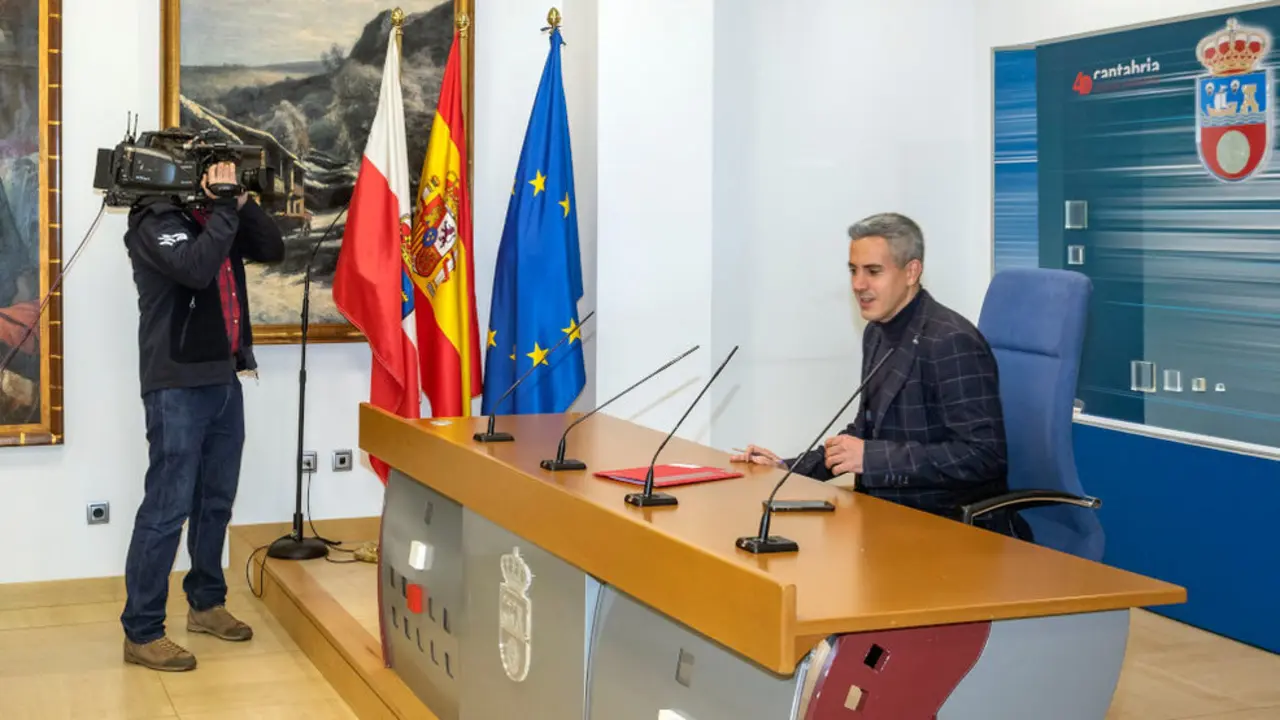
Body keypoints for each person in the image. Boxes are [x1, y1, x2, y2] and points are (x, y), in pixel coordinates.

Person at [731, 212, 1027, 539]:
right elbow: (864, 433)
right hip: (885, 518)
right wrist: (787, 469)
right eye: (853, 271)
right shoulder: (877, 333)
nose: (859, 284)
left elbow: (983, 456)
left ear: (912, 271)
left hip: (948, 528)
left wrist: (872, 458)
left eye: (873, 271)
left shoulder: (950, 341)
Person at [119, 159, 285, 671]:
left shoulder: (211, 218)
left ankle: (206, 603)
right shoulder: (154, 221)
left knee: (215, 501)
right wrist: (219, 210)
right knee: (167, 509)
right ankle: (143, 631)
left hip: (224, 378)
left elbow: (273, 249)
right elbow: (194, 269)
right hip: (175, 385)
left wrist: (240, 203)